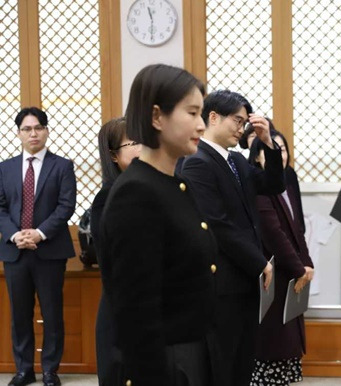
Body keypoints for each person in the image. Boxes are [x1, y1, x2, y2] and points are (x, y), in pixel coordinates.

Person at [98, 64, 218, 385]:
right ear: (156, 117)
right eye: (192, 113)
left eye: (202, 114)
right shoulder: (136, 193)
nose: (202, 126)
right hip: (162, 361)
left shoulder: (175, 184)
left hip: (191, 351)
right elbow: (137, 312)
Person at [181, 90, 285, 386]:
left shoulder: (237, 161)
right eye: (237, 121)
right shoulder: (197, 162)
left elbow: (274, 185)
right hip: (221, 281)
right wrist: (259, 262)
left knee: (243, 358)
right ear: (213, 117)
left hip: (245, 278)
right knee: (223, 361)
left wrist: (268, 145)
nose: (241, 129)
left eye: (244, 122)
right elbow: (217, 224)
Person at [0, 107, 76, 386]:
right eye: (27, 129)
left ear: (46, 130)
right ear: (18, 133)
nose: (33, 133)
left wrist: (39, 233)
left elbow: (66, 206)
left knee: (52, 313)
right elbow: (1, 208)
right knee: (19, 315)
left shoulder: (63, 166)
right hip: (15, 251)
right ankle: (24, 371)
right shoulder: (4, 168)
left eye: (38, 128)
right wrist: (15, 234)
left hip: (49, 251)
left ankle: (49, 371)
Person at [248, 130, 314, 386]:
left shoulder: (287, 180)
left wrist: (307, 264)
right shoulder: (259, 187)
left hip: (294, 271)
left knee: (289, 344)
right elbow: (273, 233)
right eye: (272, 149)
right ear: (257, 157)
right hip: (273, 272)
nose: (280, 155)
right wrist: (299, 269)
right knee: (274, 343)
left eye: (283, 149)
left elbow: (298, 228)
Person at [91, 117, 141, 385]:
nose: (141, 147)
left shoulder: (147, 188)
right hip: (124, 309)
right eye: (133, 142)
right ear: (113, 155)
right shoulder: (108, 198)